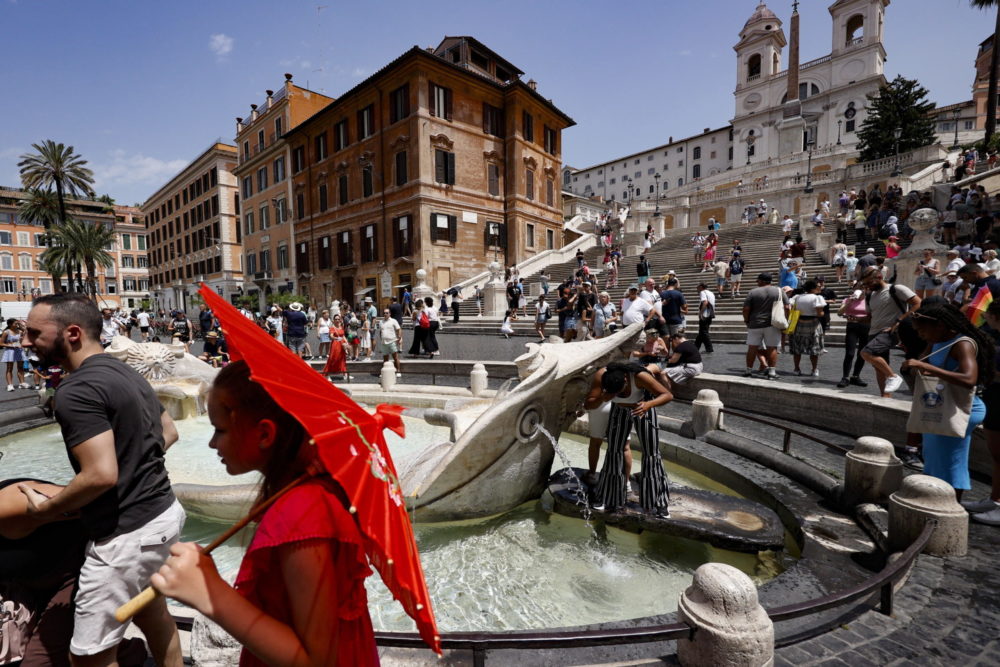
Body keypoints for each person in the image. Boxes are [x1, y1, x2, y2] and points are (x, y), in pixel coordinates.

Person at [151, 360, 380, 665]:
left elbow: (316, 660)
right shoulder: (297, 498)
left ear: (264, 434)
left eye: (220, 430)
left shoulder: (303, 514)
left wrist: (210, 593)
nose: (212, 443)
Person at [20, 293, 185, 667]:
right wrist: (137, 467)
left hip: (123, 535)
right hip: (162, 516)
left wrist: (45, 510)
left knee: (89, 656)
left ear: (72, 333)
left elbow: (100, 475)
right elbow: (168, 432)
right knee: (153, 615)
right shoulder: (125, 372)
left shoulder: (75, 391)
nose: (25, 341)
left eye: (33, 333)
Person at [903, 302, 993, 500]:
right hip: (942, 406)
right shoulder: (937, 340)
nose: (919, 334)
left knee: (951, 460)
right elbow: (925, 361)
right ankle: (935, 499)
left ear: (940, 325)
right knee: (935, 457)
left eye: (922, 330)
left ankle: (951, 504)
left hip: (960, 408)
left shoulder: (962, 343)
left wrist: (925, 366)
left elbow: (970, 379)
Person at [583, 361, 672, 517]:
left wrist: (648, 404)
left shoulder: (640, 376)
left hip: (643, 407)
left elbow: (667, 395)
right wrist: (603, 398)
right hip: (620, 410)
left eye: (619, 392)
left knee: (651, 453)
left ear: (625, 380)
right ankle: (608, 497)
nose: (618, 396)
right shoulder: (601, 375)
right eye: (614, 394)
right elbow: (589, 404)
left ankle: (658, 502)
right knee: (614, 451)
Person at [964, 299, 1000, 524]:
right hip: (995, 398)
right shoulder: (994, 337)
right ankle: (995, 498)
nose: (985, 316)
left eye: (988, 314)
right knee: (996, 455)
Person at [859, 266, 920, 396]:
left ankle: (893, 376)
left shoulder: (896, 289)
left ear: (880, 277)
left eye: (869, 282)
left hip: (890, 331)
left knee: (866, 353)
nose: (867, 286)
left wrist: (900, 321)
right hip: (873, 332)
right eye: (865, 284)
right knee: (879, 367)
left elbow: (918, 303)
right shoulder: (869, 296)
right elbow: (871, 317)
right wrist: (856, 319)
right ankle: (885, 397)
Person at [742, 273, 789, 380]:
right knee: (772, 348)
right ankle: (772, 372)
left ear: (762, 281)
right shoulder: (779, 290)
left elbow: (746, 309)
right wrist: (786, 320)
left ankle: (748, 370)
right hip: (773, 323)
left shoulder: (753, 292)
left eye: (758, 280)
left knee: (752, 348)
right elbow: (787, 307)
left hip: (755, 323)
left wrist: (746, 320)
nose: (757, 282)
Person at [789, 280, 827, 377]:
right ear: (813, 288)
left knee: (797, 347)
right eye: (818, 286)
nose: (820, 287)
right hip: (813, 324)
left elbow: (789, 306)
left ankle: (796, 368)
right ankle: (814, 369)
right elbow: (820, 313)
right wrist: (823, 313)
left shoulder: (797, 297)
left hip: (798, 323)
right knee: (814, 347)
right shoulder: (818, 298)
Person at [836, 282, 870, 389]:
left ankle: (856, 376)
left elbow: (873, 313)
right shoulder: (848, 299)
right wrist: (849, 302)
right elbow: (839, 313)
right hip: (852, 327)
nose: (860, 289)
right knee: (850, 353)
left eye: (863, 287)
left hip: (866, 327)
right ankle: (845, 377)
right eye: (858, 287)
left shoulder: (869, 300)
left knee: (862, 353)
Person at [322, 313, 350, 380]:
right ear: (333, 320)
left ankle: (345, 373)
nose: (337, 320)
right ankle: (327, 374)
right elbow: (331, 336)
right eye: (336, 319)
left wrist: (346, 342)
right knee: (333, 359)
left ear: (340, 320)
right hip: (335, 345)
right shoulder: (332, 328)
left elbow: (343, 335)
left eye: (338, 319)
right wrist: (337, 338)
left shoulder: (341, 327)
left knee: (342, 359)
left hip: (342, 345)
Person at [2, 318, 27, 391]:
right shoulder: (6, 332)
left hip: (19, 350)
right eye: (15, 323)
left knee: (20, 367)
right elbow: (1, 343)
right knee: (9, 368)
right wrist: (12, 345)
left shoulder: (20, 331)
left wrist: (21, 342)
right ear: (10, 324)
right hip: (10, 351)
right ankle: (10, 385)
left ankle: (22, 383)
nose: (17, 325)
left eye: (17, 323)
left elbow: (25, 332)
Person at [378, 308, 402, 376]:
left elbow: (398, 329)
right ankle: (385, 372)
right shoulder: (381, 322)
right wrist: (381, 339)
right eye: (384, 313)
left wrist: (399, 337)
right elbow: (380, 331)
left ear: (390, 314)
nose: (385, 314)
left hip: (392, 341)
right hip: (384, 342)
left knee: (395, 357)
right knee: (385, 358)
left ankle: (398, 371)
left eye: (387, 313)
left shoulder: (393, 321)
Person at [693, 282, 715, 354]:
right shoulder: (711, 293)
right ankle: (695, 348)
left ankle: (709, 349)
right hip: (710, 314)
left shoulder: (703, 292)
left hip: (705, 314)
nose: (697, 289)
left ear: (701, 287)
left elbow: (705, 302)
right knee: (702, 332)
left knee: (704, 332)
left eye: (698, 287)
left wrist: (701, 313)